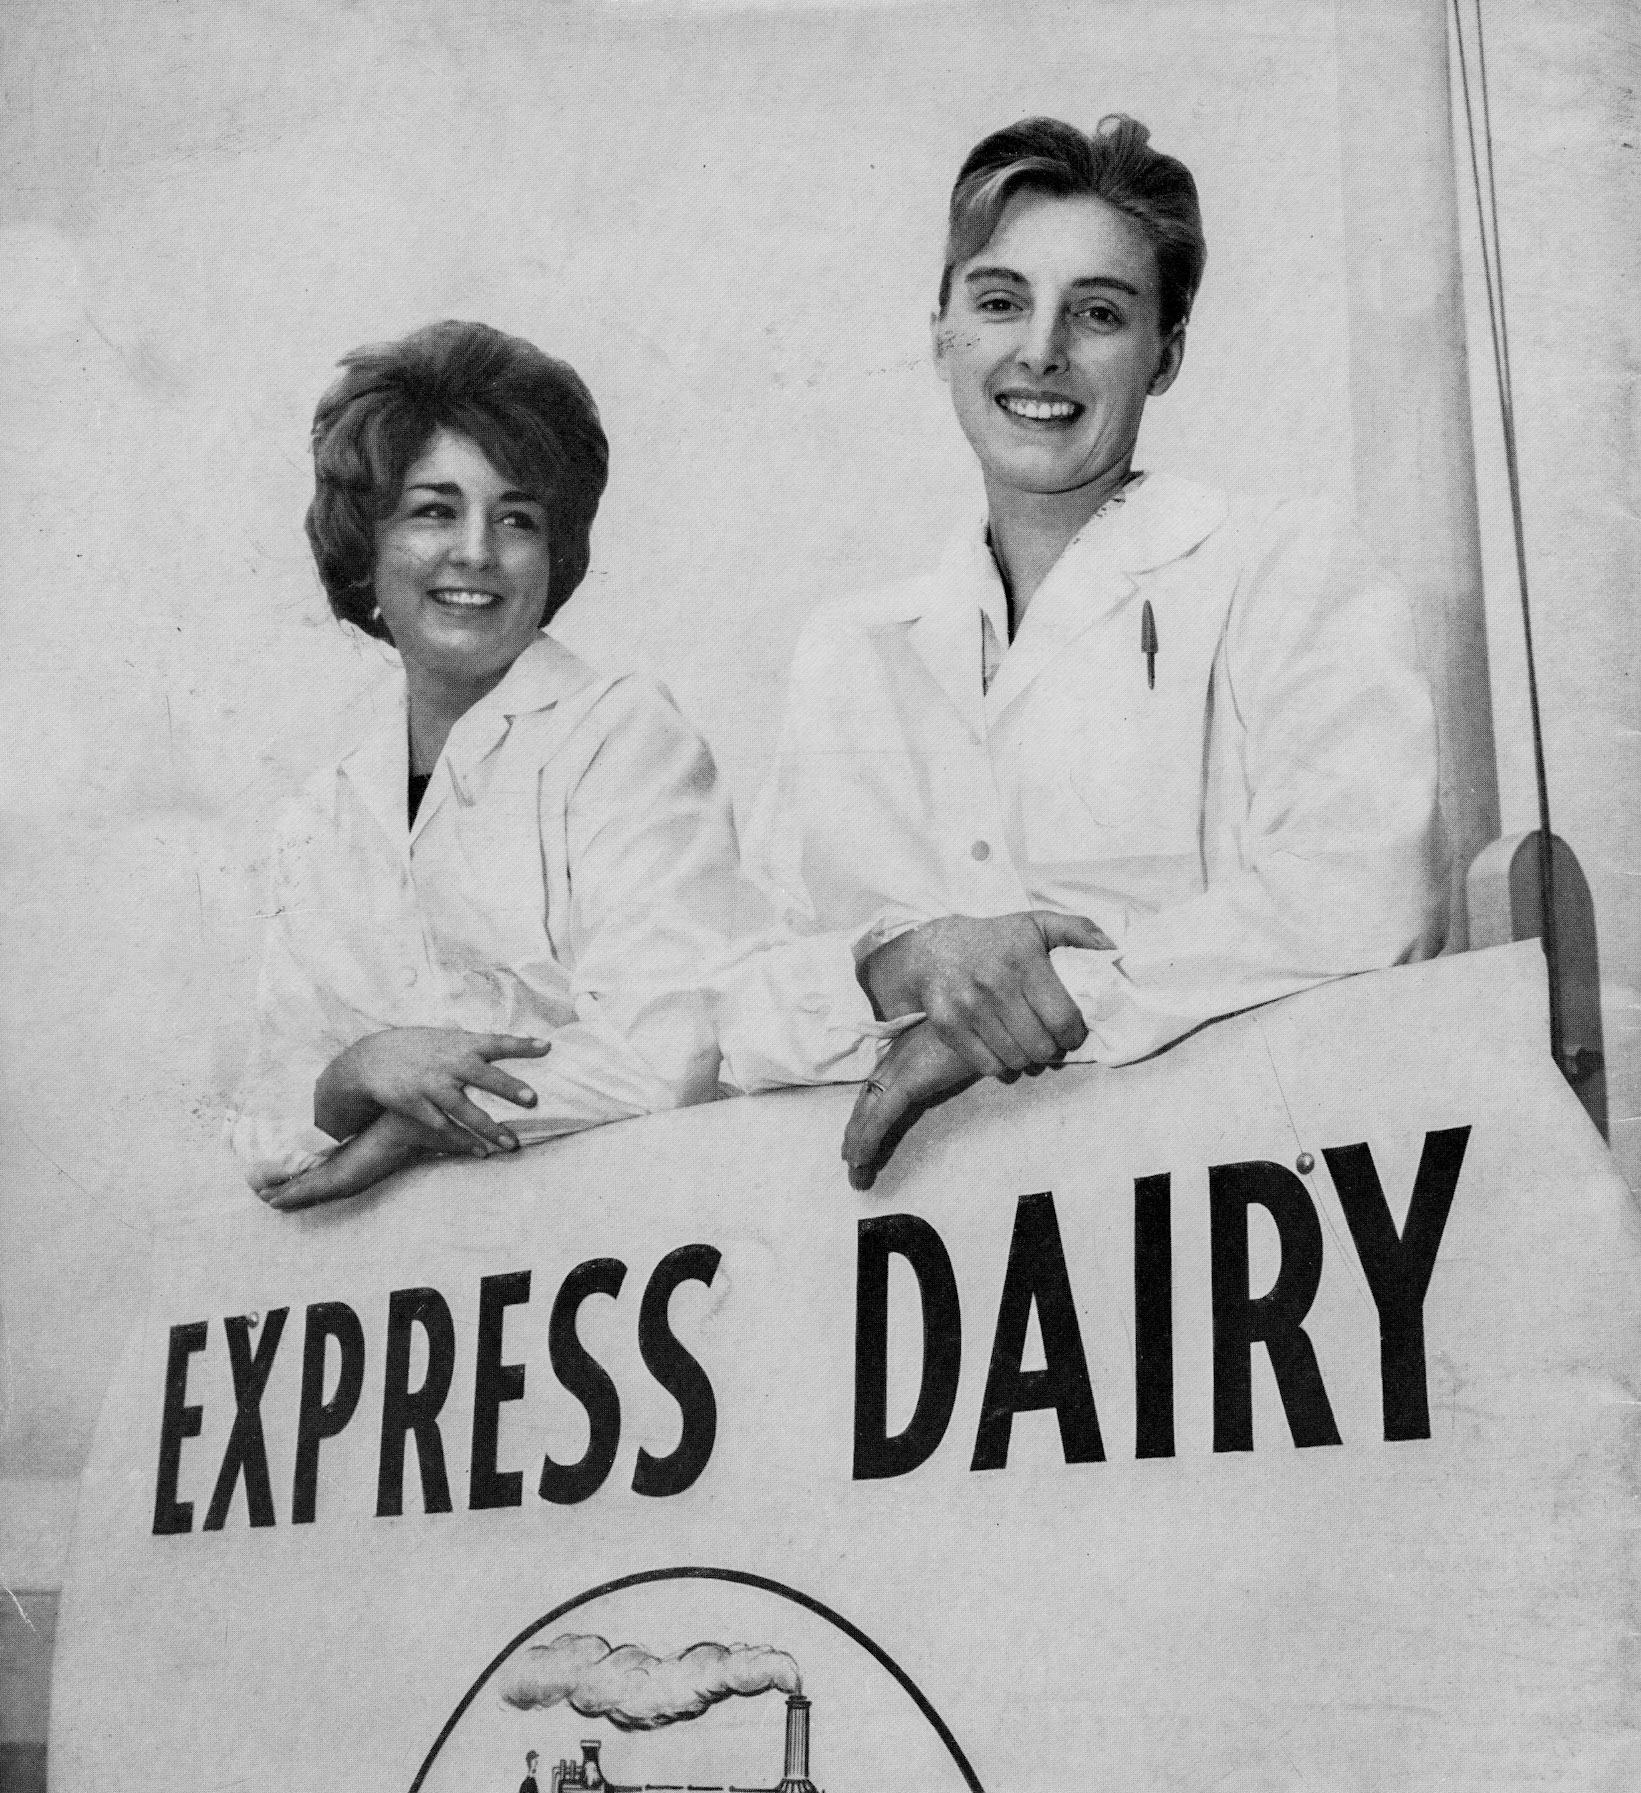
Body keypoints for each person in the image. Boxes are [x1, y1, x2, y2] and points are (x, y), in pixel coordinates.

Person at [717, 115, 1448, 1185]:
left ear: (1166, 354)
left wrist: (1035, 1003)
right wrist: (902, 963)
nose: (1041, 349)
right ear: (941, 332)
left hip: (1230, 1231)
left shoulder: (1282, 565)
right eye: (1000, 300)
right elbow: (736, 1015)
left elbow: (1368, 894)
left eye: (1098, 312)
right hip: (925, 1273)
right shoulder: (850, 652)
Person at [227, 321, 738, 1208]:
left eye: (517, 518)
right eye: (433, 510)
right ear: (367, 540)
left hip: (627, 1242)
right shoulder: (323, 816)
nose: (475, 552)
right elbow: (266, 1136)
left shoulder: (621, 733)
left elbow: (673, 1049)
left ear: (556, 551)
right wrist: (353, 1074)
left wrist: (410, 1123)